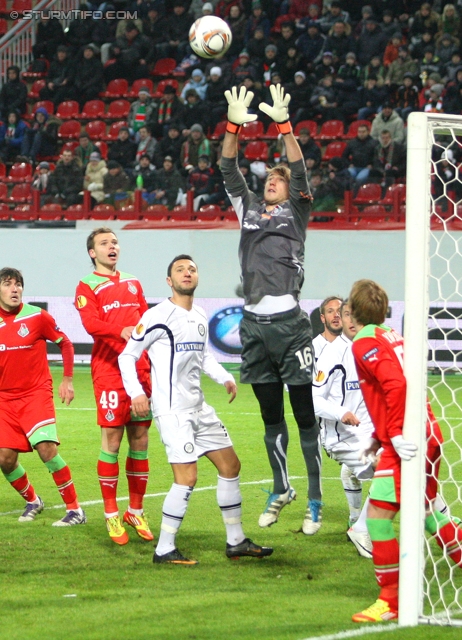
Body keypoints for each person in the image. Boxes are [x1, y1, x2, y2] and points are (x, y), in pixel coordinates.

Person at [118, 254, 273, 564]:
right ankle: (164, 549)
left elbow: (203, 358)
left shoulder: (200, 316)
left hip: (200, 408)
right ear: (169, 281)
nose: (186, 273)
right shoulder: (157, 315)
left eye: (191, 269)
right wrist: (136, 392)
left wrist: (225, 377)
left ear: (197, 277)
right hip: (173, 411)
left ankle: (236, 541)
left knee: (230, 466)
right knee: (186, 478)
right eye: (179, 269)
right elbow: (127, 356)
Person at [221, 84, 322, 533]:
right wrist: (233, 125)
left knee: (303, 416)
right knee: (269, 416)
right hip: (253, 328)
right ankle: (282, 488)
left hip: (290, 326)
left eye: (277, 180)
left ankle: (315, 498)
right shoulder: (247, 209)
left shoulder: (296, 213)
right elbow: (227, 166)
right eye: (269, 180)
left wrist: (284, 126)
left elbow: (299, 170)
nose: (271, 183)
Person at [349, 279, 462, 623]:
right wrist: (380, 436)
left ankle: (390, 600)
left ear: (352, 313)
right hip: (427, 431)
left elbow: (395, 384)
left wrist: (394, 434)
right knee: (425, 510)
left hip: (407, 441)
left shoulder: (364, 341)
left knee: (377, 519)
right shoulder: (393, 336)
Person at [75, 228, 153, 545]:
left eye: (115, 242)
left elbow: (148, 317)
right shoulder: (86, 285)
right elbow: (91, 324)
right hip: (109, 370)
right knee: (111, 438)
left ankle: (135, 510)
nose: (112, 246)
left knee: (141, 436)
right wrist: (121, 330)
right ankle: (111, 515)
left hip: (141, 368)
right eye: (105, 243)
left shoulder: (133, 281)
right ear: (93, 252)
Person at [0, 267, 86, 526]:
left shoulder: (37, 316)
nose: (15, 289)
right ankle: (33, 500)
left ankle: (75, 511)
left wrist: (68, 380)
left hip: (35, 393)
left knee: (46, 448)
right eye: (8, 284)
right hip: (4, 399)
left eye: (18, 284)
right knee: (4, 458)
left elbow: (66, 343)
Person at [312, 301, 374, 556]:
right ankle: (362, 527)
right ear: (323, 318)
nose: (341, 317)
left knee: (353, 473)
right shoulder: (325, 352)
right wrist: (341, 413)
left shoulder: (360, 350)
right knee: (394, 474)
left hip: (367, 434)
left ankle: (355, 520)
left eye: (346, 313)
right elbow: (310, 397)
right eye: (336, 313)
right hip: (342, 437)